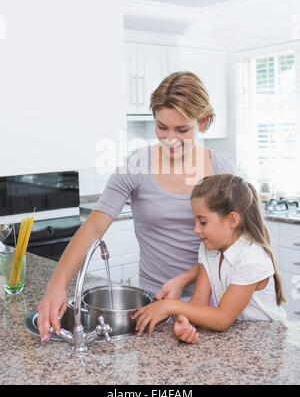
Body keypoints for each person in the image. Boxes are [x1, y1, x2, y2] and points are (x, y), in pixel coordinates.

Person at [37, 71, 235, 342]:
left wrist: (184, 281)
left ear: (203, 121)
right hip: (154, 309)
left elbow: (234, 247)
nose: (171, 140)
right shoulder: (135, 167)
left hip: (214, 306)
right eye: (161, 127)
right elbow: (93, 227)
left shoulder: (222, 168)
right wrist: (56, 285)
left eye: (182, 129)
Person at [132, 174, 287, 341]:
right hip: (239, 339)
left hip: (267, 342)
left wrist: (168, 306)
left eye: (203, 222)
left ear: (232, 220)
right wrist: (186, 324)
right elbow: (198, 302)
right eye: (195, 221)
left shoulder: (251, 257)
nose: (196, 229)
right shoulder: (208, 248)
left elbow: (222, 319)